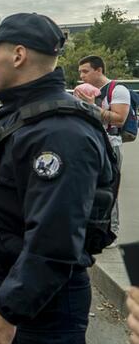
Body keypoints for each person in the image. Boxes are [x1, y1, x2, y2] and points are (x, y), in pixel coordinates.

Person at [0, 13, 117, 344]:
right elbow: (12, 208)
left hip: (43, 305)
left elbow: (55, 238)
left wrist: (10, 312)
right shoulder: (25, 115)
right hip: (18, 285)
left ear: (17, 54)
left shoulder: (59, 131)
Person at [76, 55, 129, 238]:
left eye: (85, 71)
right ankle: (93, 229)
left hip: (111, 143)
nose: (82, 76)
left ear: (99, 70)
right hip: (90, 142)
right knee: (88, 187)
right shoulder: (86, 90)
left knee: (110, 188)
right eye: (80, 72)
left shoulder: (117, 90)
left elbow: (120, 119)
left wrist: (92, 106)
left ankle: (111, 231)